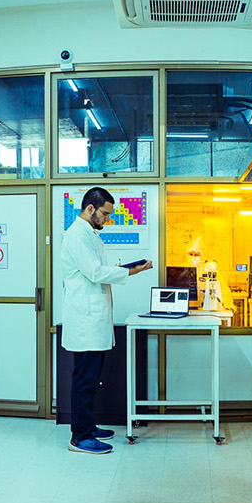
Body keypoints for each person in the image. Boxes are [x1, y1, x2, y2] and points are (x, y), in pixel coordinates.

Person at [61, 187, 152, 454]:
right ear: (91, 209)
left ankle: (88, 427)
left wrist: (127, 270)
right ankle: (80, 437)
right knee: (85, 380)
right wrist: (132, 270)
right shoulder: (78, 235)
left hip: (93, 319)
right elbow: (96, 273)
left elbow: (98, 271)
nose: (107, 219)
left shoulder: (89, 235)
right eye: (105, 214)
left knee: (91, 378)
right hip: (85, 320)